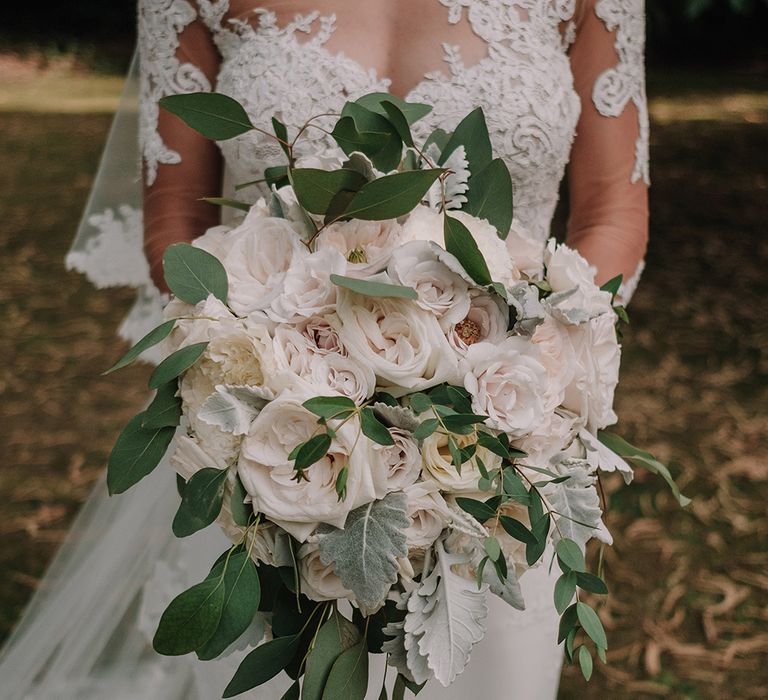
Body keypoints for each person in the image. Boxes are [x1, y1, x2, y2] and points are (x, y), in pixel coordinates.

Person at [0, 1, 648, 698]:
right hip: (280, 450)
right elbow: (175, 222)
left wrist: (512, 392)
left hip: (503, 463)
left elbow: (613, 209)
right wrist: (290, 369)